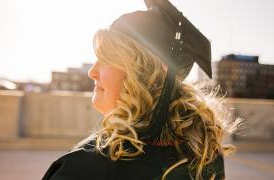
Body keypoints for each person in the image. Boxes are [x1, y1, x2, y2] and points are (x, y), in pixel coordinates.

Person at [42, 0, 238, 179]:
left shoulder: (84, 169)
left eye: (107, 59)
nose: (92, 72)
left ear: (143, 74)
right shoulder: (205, 155)